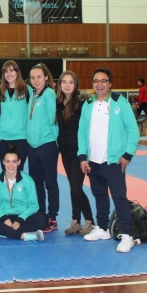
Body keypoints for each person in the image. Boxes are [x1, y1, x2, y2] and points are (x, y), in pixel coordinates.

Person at [78, 67, 140, 253]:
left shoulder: (120, 103)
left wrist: (127, 155)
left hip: (114, 161)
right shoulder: (88, 105)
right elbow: (82, 132)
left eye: (103, 81)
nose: (99, 84)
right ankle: (103, 228)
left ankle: (127, 236)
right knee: (100, 196)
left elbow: (133, 130)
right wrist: (82, 156)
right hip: (93, 161)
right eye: (96, 81)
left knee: (119, 198)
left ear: (110, 83)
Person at [0, 144, 47, 241]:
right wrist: (5, 219)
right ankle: (24, 236)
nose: (11, 165)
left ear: (19, 162)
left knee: (43, 218)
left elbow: (34, 206)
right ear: (3, 162)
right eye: (8, 161)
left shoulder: (27, 180)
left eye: (14, 161)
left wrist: (19, 220)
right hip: (3, 217)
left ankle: (2, 233)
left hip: (23, 217)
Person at [56, 71, 94, 236]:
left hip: (79, 152)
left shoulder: (81, 104)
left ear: (76, 84)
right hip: (65, 152)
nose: (67, 85)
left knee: (75, 187)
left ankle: (90, 220)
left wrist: (85, 154)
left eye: (70, 82)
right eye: (64, 82)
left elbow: (87, 129)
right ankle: (75, 221)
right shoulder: (59, 104)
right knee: (73, 187)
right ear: (60, 84)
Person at [26, 63, 60, 233]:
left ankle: (52, 217)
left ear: (46, 77)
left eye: (39, 77)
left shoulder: (49, 94)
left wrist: (55, 144)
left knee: (50, 183)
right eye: (32, 78)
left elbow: (54, 120)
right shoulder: (33, 94)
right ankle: (40, 214)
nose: (36, 80)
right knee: (36, 183)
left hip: (47, 144)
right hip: (32, 146)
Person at [0, 60, 29, 171]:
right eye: (5, 71)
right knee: (6, 171)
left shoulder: (27, 90)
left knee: (18, 171)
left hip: (21, 138)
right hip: (2, 138)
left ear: (17, 72)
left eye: (11, 70)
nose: (9, 74)